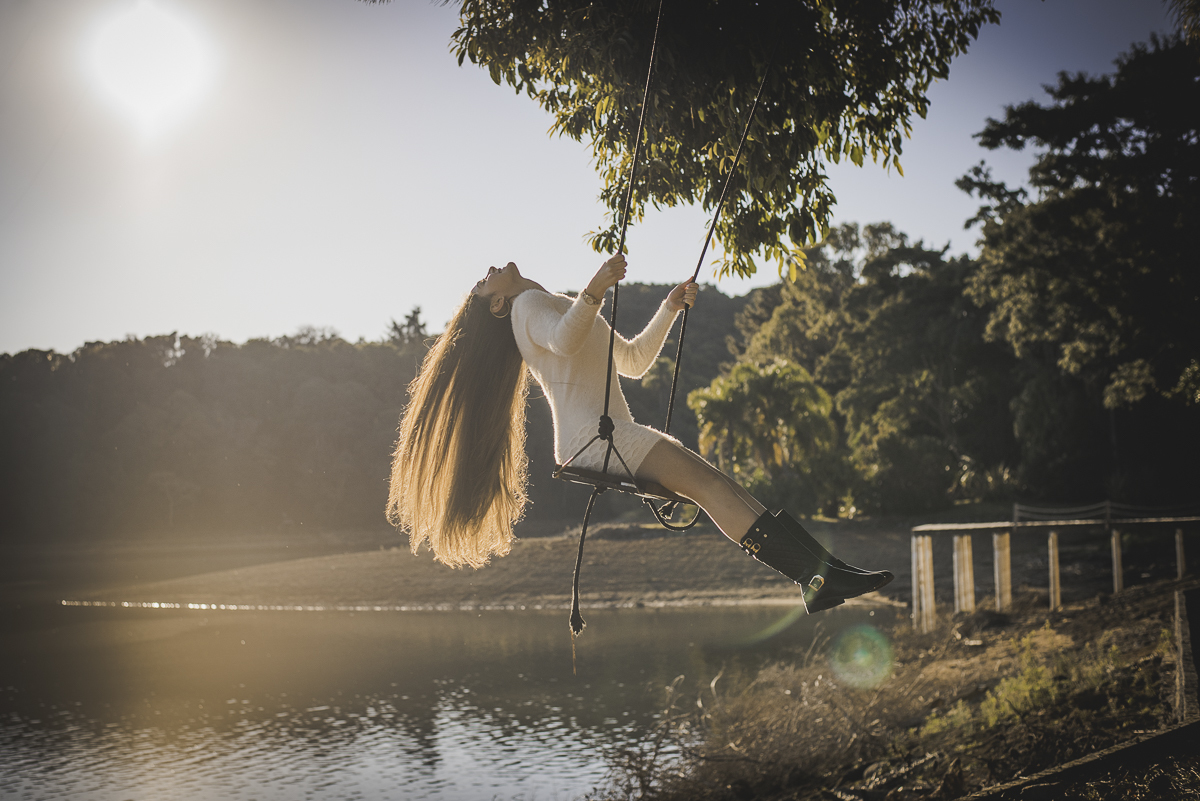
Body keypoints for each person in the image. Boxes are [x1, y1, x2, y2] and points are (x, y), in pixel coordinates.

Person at [387, 256, 892, 613]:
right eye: (483, 281)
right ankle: (816, 578)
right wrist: (596, 288)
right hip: (595, 439)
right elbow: (565, 341)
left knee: (724, 487)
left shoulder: (550, 305)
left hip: (605, 435)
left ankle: (824, 573)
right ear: (496, 305)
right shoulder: (527, 310)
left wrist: (669, 308)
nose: (491, 268)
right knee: (715, 490)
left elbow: (630, 361)